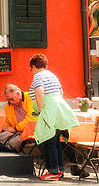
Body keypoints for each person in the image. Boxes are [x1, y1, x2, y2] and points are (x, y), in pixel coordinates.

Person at [29, 53, 78, 181]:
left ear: (33, 66)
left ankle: (53, 171)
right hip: (58, 107)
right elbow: (60, 92)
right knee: (55, 140)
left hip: (48, 108)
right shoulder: (52, 75)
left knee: (47, 141)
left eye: (31, 69)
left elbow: (39, 91)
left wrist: (41, 108)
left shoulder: (38, 76)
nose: (32, 71)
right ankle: (60, 170)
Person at [0, 83, 36, 152]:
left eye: (12, 99)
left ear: (18, 94)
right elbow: (8, 121)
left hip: (32, 131)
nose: (10, 102)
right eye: (8, 100)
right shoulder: (8, 105)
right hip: (17, 131)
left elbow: (32, 119)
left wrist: (15, 128)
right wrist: (5, 126)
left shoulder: (30, 98)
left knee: (11, 143)